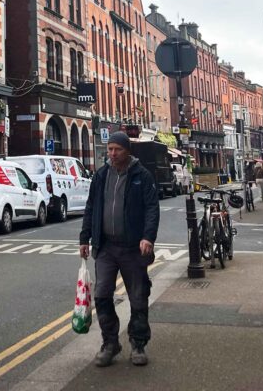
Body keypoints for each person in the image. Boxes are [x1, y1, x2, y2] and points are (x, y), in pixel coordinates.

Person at [79, 132, 160, 368]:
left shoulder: (141, 176)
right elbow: (91, 207)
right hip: (106, 247)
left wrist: (148, 237)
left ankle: (138, 344)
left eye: (118, 149)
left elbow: (152, 208)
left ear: (128, 151)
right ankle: (110, 343)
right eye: (110, 149)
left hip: (133, 248)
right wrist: (85, 238)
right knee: (102, 295)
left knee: (138, 296)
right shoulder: (101, 175)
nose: (113, 153)